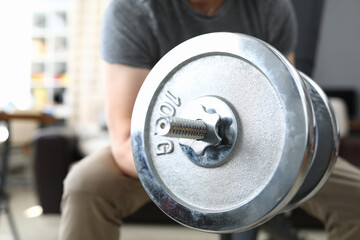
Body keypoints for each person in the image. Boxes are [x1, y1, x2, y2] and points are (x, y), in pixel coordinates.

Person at [58, 0, 360, 239]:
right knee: (86, 186)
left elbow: (292, 109)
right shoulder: (133, 10)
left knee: (355, 197)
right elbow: (125, 142)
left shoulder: (270, 7)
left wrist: (254, 184)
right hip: (163, 160)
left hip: (271, 149)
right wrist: (214, 186)